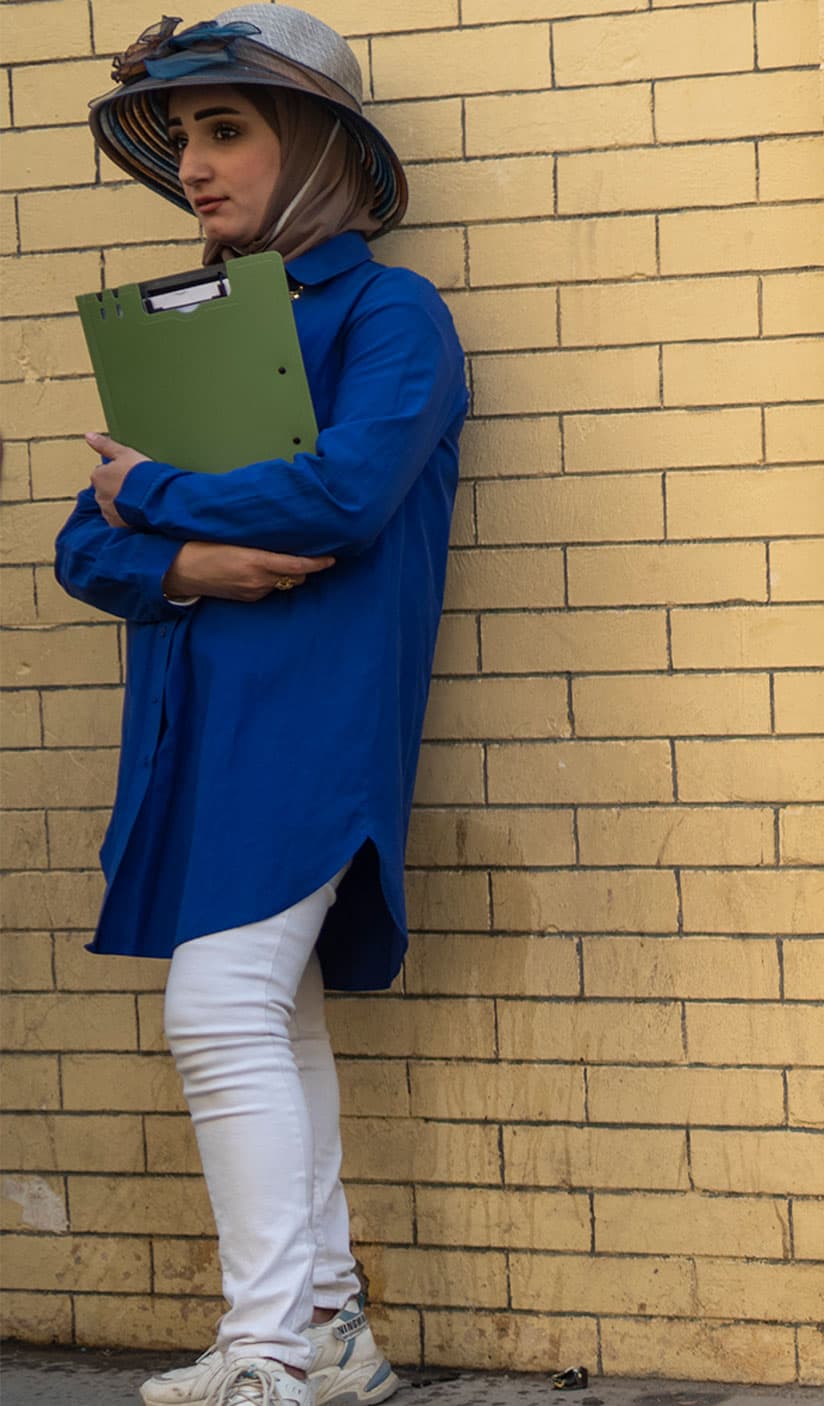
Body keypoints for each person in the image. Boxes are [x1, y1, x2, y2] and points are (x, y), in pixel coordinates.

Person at [56, 10, 466, 1406]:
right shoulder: (202, 336)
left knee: (218, 1009)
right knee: (270, 1016)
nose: (196, 170)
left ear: (319, 148)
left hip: (316, 723)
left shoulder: (391, 313)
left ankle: (269, 1352)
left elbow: (347, 494)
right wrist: (191, 556)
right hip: (195, 730)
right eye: (183, 141)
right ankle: (333, 1332)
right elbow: (83, 545)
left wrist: (156, 497)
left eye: (226, 130)